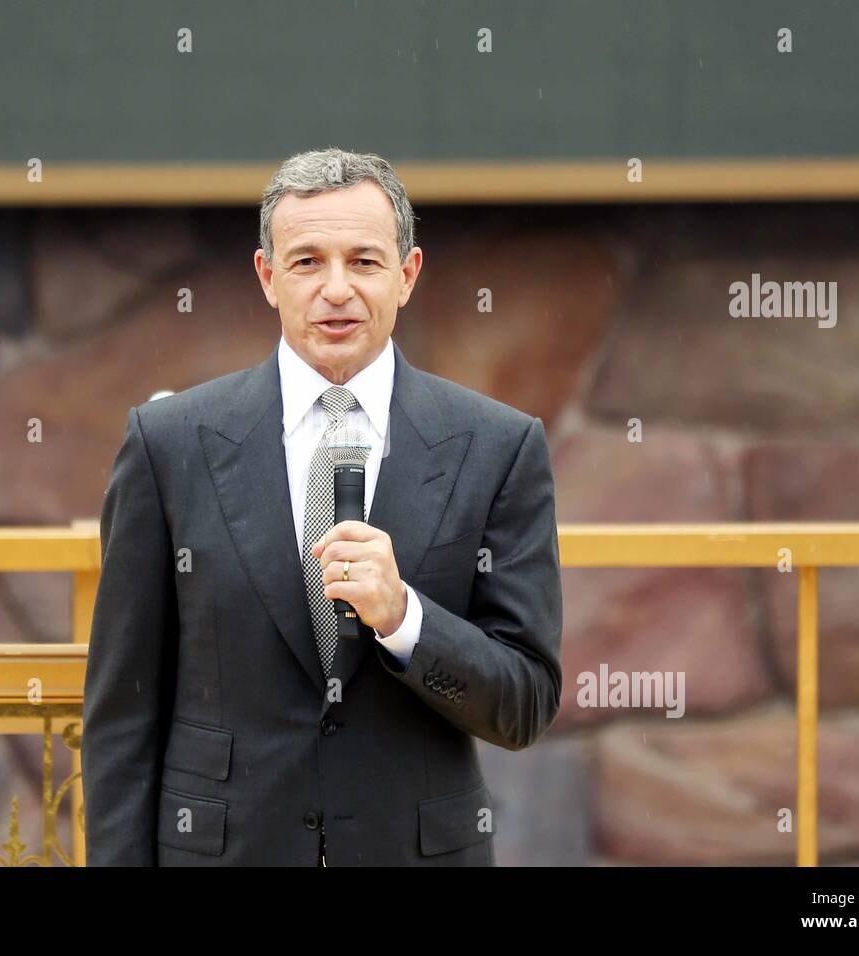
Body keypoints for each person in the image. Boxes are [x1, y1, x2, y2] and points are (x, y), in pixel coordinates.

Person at [82, 147, 563, 866]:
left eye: (364, 262)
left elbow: (524, 702)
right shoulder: (168, 443)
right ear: (267, 277)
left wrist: (406, 620)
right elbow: (123, 713)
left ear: (407, 275)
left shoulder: (499, 446)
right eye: (307, 262)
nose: (336, 290)